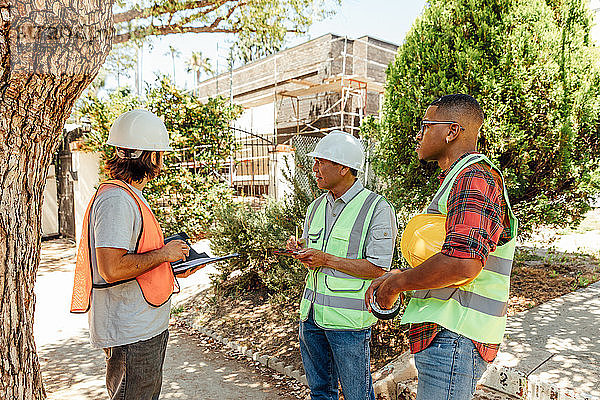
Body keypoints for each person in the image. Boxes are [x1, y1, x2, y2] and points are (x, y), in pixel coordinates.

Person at [365, 94, 518, 400]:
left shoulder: (474, 178)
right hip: (448, 338)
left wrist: (398, 282)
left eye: (425, 126)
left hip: (456, 337)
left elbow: (463, 263)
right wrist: (402, 276)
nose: (419, 135)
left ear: (451, 131)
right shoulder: (458, 180)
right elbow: (450, 255)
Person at [70, 109, 197, 400]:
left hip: (141, 327)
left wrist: (172, 263)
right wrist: (164, 255)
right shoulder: (116, 200)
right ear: (151, 157)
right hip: (131, 333)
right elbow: (112, 268)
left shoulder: (127, 195)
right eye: (160, 153)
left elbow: (136, 256)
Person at [287, 130, 397, 400]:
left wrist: (326, 259)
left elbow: (378, 268)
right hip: (311, 317)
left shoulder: (377, 208)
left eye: (321, 162)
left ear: (344, 167)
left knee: (357, 394)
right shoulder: (314, 207)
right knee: (320, 392)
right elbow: (316, 261)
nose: (314, 169)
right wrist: (301, 252)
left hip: (348, 323)